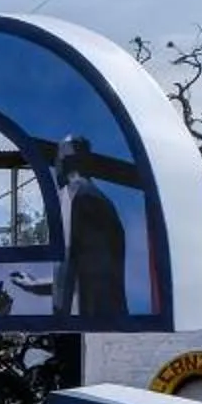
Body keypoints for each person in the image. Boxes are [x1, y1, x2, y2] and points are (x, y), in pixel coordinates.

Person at [50, 135, 128, 319]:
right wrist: (35, 284)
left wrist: (59, 318)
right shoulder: (101, 200)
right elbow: (90, 270)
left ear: (63, 162)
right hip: (112, 315)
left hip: (90, 318)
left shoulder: (71, 194)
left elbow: (66, 260)